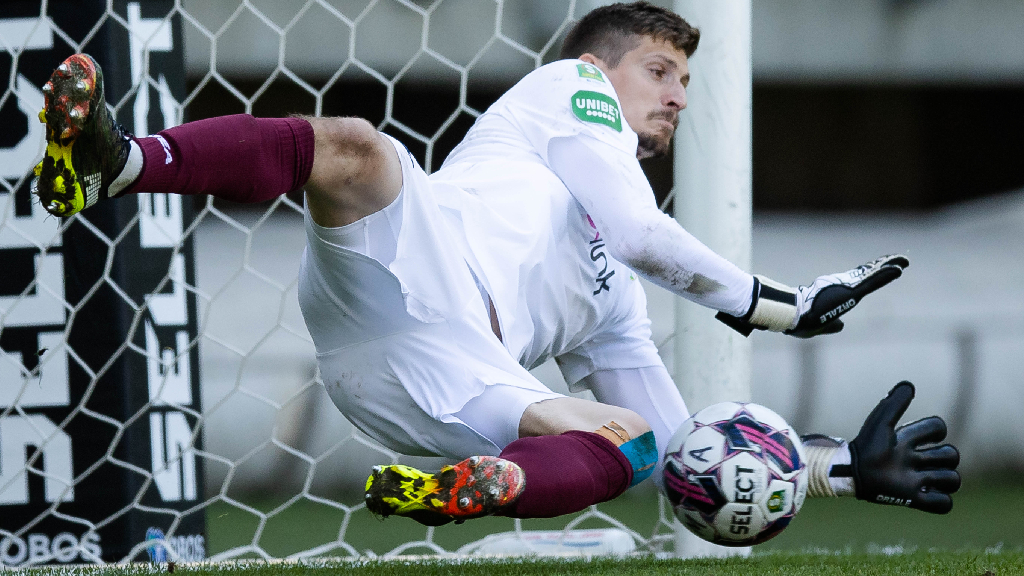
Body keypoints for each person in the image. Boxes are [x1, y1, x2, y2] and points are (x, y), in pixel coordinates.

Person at [33, 2, 958, 528]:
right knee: (355, 149)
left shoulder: (613, 302)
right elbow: (641, 233)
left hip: (447, 380)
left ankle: (487, 487)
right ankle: (115, 165)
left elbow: (688, 462)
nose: (679, 93)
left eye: (685, 78)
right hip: (416, 267)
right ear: (600, 65)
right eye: (659, 69)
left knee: (630, 440)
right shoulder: (571, 92)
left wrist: (833, 466)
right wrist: (779, 305)